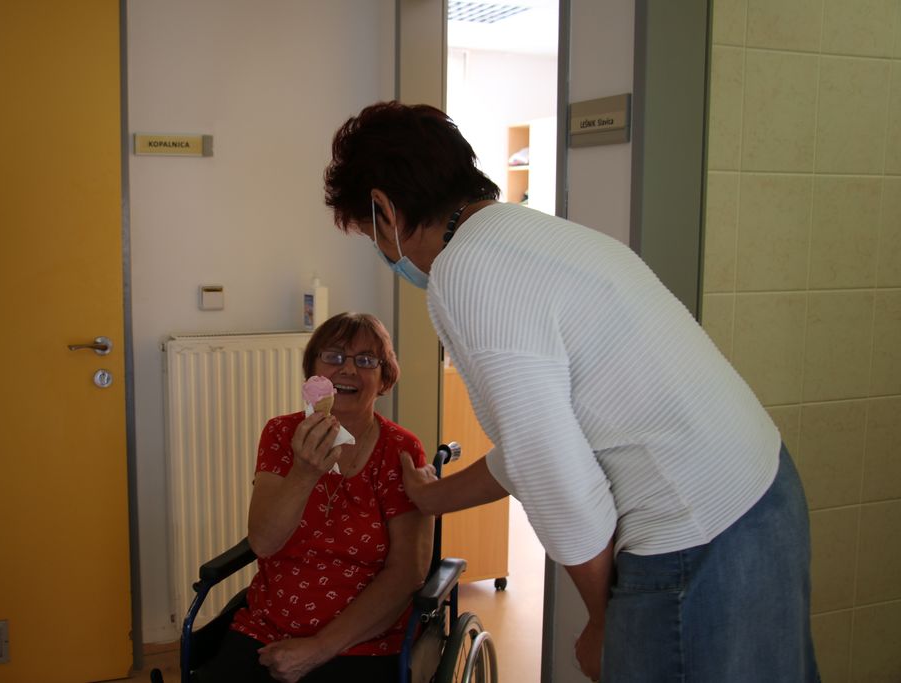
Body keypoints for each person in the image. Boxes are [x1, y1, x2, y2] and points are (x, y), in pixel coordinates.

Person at [322, 101, 820, 682]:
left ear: (384, 209)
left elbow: (549, 466)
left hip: (696, 534)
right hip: (760, 495)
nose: (383, 252)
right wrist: (435, 497)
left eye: (370, 234)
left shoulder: (466, 271)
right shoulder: (528, 234)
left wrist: (603, 621)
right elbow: (540, 441)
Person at [196, 312, 433, 683]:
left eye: (366, 360)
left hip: (364, 639)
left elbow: (408, 571)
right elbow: (264, 543)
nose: (348, 369)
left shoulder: (401, 450)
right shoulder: (281, 434)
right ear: (312, 372)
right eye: (333, 356)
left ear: (385, 379)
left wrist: (319, 647)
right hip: (268, 627)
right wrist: (304, 472)